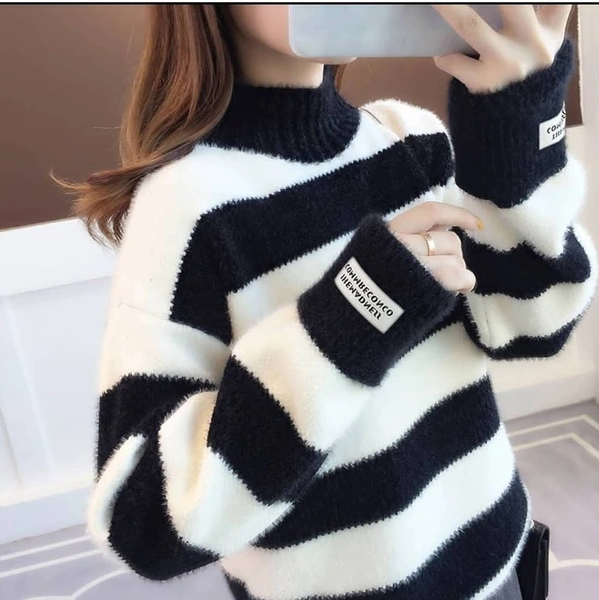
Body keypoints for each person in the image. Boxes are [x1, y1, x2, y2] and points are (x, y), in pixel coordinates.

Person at [65, 4, 596, 600]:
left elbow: (535, 324)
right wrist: (353, 313)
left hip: (497, 565)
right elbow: (142, 527)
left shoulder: (409, 138)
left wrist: (521, 131)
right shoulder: (185, 208)